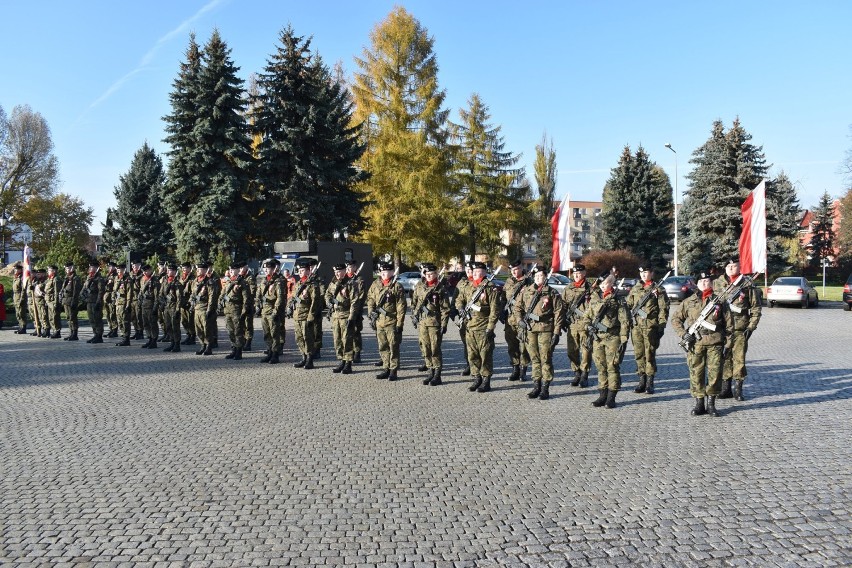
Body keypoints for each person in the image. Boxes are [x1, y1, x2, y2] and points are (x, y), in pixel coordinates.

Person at [672, 271, 733, 417]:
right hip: (696, 343)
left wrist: (728, 345)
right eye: (702, 281)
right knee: (696, 373)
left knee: (714, 374)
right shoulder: (689, 301)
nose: (705, 284)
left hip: (715, 342)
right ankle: (699, 403)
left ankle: (711, 404)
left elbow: (730, 324)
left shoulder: (719, 301)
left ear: (711, 283)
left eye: (707, 281)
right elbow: (675, 319)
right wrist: (683, 334)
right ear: (697, 284)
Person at [713, 258, 762, 401]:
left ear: (740, 267)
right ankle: (726, 388)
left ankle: (738, 389)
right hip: (722, 329)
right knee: (724, 357)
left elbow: (756, 308)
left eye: (734, 266)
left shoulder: (747, 283)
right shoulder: (717, 283)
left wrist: (751, 327)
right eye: (728, 266)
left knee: (739, 359)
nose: (731, 268)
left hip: (740, 329)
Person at [515, 266, 566, 400]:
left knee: (545, 358)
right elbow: (517, 307)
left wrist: (556, 332)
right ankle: (536, 386)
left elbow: (559, 313)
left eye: (541, 276)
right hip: (530, 329)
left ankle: (545, 388)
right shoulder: (527, 291)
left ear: (545, 277)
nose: (538, 279)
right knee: (534, 359)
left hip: (546, 329)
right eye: (536, 276)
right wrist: (520, 320)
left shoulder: (552, 293)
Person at [585, 275, 630, 409]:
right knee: (600, 367)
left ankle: (611, 397)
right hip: (597, 338)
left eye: (606, 283)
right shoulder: (595, 298)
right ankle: (602, 395)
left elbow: (625, 320)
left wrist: (623, 339)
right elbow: (587, 316)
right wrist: (588, 326)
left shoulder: (618, 300)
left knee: (612, 367)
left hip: (613, 338)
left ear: (611, 283)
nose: (603, 285)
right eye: (601, 283)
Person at [455, 261, 500, 392]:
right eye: (473, 272)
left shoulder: (490, 287)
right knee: (472, 355)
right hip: (469, 327)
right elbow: (459, 299)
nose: (475, 274)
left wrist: (490, 328)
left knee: (485, 355)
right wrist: (460, 307)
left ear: (484, 272)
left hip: (483, 326)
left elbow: (494, 310)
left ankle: (486, 380)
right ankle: (477, 378)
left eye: (478, 272)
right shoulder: (468, 286)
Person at [626, 267, 670, 394]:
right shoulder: (635, 288)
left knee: (649, 354)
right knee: (639, 354)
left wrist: (661, 325)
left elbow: (663, 308)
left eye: (646, 272)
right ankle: (642, 380)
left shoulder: (658, 289)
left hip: (651, 326)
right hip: (636, 327)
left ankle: (650, 382)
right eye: (641, 273)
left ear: (651, 274)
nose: (644, 275)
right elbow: (628, 304)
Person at [411, 263, 451, 385]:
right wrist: (414, 316)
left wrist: (444, 324)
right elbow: (414, 302)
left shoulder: (440, 289)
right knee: (425, 348)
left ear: (436, 274)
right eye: (427, 274)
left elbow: (445, 309)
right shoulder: (419, 286)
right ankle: (430, 371)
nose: (429, 276)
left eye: (432, 274)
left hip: (435, 324)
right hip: (422, 323)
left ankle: (437, 375)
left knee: (435, 349)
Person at [367, 261, 406, 381]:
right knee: (382, 346)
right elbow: (370, 299)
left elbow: (401, 307)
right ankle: (386, 368)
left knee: (393, 346)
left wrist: (400, 324)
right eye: (382, 272)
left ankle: (393, 370)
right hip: (379, 321)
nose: (384, 274)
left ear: (392, 272)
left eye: (387, 272)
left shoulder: (397, 286)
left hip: (391, 321)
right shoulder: (376, 284)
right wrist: (371, 312)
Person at [561, 264, 595, 388]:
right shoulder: (568, 288)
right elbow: (563, 305)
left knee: (586, 351)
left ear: (584, 273)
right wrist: (563, 320)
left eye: (579, 273)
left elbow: (595, 306)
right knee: (571, 351)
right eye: (574, 274)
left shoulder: (590, 289)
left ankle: (585, 374)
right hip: (572, 324)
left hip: (585, 325)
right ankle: (577, 372)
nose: (576, 275)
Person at [325, 263, 359, 375]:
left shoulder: (351, 283)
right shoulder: (333, 282)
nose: (337, 274)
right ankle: (341, 361)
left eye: (339, 272)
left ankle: (348, 363)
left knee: (347, 340)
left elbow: (354, 302)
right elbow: (327, 294)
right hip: (335, 316)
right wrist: (329, 303)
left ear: (344, 272)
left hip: (345, 315)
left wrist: (351, 317)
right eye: (335, 272)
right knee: (337, 341)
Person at [501, 260, 531, 381]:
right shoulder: (508, 282)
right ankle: (515, 368)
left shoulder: (529, 282)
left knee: (523, 346)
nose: (514, 272)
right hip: (510, 319)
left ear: (521, 268)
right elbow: (503, 298)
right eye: (512, 270)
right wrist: (501, 311)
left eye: (516, 269)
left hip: (522, 319)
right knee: (511, 345)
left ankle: (523, 370)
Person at [291, 258, 323, 369]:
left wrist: (311, 317)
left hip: (306, 316)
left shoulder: (312, 285)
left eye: (302, 270)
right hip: (297, 316)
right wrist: (289, 307)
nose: (299, 272)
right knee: (299, 338)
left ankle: (310, 359)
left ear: (309, 271)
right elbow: (293, 298)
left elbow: (315, 303)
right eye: (299, 270)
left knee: (308, 338)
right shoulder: (299, 283)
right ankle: (303, 357)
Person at [258, 258, 286, 364]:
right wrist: (257, 305)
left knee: (275, 334)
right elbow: (259, 294)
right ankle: (269, 352)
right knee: (267, 334)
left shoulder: (278, 281)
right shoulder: (264, 280)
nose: (266, 270)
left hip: (272, 311)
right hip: (264, 311)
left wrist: (276, 311)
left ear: (273, 269)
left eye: (268, 268)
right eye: (265, 268)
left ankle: (275, 354)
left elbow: (280, 298)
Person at [191, 261, 219, 356]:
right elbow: (192, 294)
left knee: (207, 329)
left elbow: (212, 296)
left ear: (206, 270)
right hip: (197, 308)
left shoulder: (210, 282)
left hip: (204, 308)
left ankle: (208, 346)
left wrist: (209, 310)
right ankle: (202, 345)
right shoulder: (195, 281)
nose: (199, 271)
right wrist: (191, 304)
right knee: (198, 329)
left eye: (201, 269)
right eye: (198, 269)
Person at [222, 261, 249, 360]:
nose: (232, 272)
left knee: (238, 331)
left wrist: (244, 311)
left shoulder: (243, 282)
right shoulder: (229, 281)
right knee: (230, 331)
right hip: (227, 310)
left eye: (234, 270)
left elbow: (246, 298)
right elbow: (223, 294)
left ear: (238, 270)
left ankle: (239, 351)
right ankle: (233, 349)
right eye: (230, 270)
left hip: (237, 310)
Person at [453, 262, 475, 376]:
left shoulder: (478, 283)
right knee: (466, 343)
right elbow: (456, 297)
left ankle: (476, 366)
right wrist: (455, 310)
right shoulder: (461, 282)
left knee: (474, 343)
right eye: (466, 270)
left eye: (470, 270)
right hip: (463, 317)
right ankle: (468, 364)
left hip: (475, 318)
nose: (468, 272)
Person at [345, 259, 367, 363]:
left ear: (355, 268)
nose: (349, 269)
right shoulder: (344, 279)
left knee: (356, 332)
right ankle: (349, 352)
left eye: (351, 267)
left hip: (356, 309)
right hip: (345, 310)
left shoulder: (359, 279)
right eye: (348, 267)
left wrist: (357, 309)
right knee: (347, 332)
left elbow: (361, 296)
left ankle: (357, 352)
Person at [160, 262, 183, 352]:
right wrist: (162, 303)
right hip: (166, 306)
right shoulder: (165, 282)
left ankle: (177, 344)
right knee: (168, 326)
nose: (170, 272)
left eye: (172, 271)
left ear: (175, 272)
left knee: (175, 326)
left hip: (173, 306)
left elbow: (179, 298)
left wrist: (177, 310)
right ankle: (172, 342)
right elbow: (160, 294)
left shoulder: (177, 284)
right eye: (169, 270)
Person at [83, 260, 106, 343]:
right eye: (90, 267)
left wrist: (98, 302)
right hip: (89, 301)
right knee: (91, 319)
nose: (91, 268)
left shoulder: (99, 278)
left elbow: (101, 291)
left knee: (97, 319)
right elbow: (84, 288)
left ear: (97, 268)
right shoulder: (89, 277)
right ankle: (95, 334)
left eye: (93, 267)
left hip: (96, 301)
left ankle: (99, 336)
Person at [138, 264, 160, 348]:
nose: (145, 273)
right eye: (144, 271)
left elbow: (157, 295)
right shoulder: (143, 279)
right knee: (146, 323)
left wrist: (155, 307)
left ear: (151, 270)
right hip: (144, 304)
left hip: (151, 304)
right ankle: (149, 338)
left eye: (147, 271)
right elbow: (141, 291)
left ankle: (154, 340)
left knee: (152, 323)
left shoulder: (155, 281)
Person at [113, 264, 133, 346]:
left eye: (120, 269)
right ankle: (123, 337)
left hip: (124, 302)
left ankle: (126, 338)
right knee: (119, 321)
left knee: (125, 321)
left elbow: (129, 293)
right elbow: (114, 290)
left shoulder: (127, 279)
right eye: (117, 270)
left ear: (124, 270)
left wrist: (128, 304)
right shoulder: (117, 278)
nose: (118, 271)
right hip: (118, 302)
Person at [239, 263, 256, 351]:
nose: (241, 269)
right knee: (241, 324)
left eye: (242, 267)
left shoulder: (250, 277)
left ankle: (248, 342)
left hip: (248, 304)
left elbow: (252, 292)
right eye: (240, 268)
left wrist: (247, 303)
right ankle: (243, 341)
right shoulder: (240, 277)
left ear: (246, 267)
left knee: (248, 323)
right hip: (240, 304)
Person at [178, 262, 196, 346]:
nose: (184, 270)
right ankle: (188, 335)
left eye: (186, 268)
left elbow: (193, 292)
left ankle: (192, 337)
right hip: (182, 302)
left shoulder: (192, 278)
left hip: (188, 302)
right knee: (184, 321)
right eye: (183, 268)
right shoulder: (181, 277)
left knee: (190, 321)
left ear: (189, 268)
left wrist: (190, 302)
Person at [128, 260, 144, 340]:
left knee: (139, 317)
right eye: (133, 266)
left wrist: (136, 281)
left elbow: (142, 288)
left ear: (140, 266)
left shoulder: (142, 275)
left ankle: (140, 332)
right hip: (131, 298)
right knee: (133, 317)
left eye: (136, 266)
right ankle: (136, 331)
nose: (134, 268)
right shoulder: (130, 274)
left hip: (138, 298)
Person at [44, 265, 61, 338]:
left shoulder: (56, 279)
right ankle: (54, 330)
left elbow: (56, 292)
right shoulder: (50, 279)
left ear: (54, 271)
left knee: (55, 317)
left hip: (53, 301)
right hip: (49, 301)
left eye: (49, 270)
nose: (48, 272)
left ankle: (57, 331)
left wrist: (56, 302)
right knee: (50, 317)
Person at [103, 261, 119, 338]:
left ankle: (115, 330)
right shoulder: (108, 275)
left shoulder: (116, 275)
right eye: (109, 267)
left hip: (112, 297)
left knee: (113, 314)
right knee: (108, 314)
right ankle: (111, 329)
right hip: (106, 296)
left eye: (111, 267)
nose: (109, 268)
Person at [11, 263, 27, 334]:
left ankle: (23, 327)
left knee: (21, 313)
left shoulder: (22, 277)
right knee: (17, 313)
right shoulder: (16, 277)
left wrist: (22, 299)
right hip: (16, 296)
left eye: (16, 269)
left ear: (20, 270)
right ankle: (20, 326)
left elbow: (23, 289)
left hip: (20, 296)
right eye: (15, 269)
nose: (15, 270)